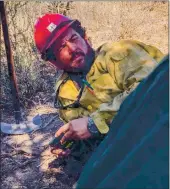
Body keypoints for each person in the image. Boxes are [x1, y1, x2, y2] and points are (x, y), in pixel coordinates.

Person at [34, 13, 165, 156]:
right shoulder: (65, 92)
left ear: (84, 37)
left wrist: (94, 123)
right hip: (125, 147)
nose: (72, 48)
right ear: (54, 61)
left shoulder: (119, 53)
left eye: (74, 38)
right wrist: (70, 144)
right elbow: (83, 130)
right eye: (61, 48)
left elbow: (154, 86)